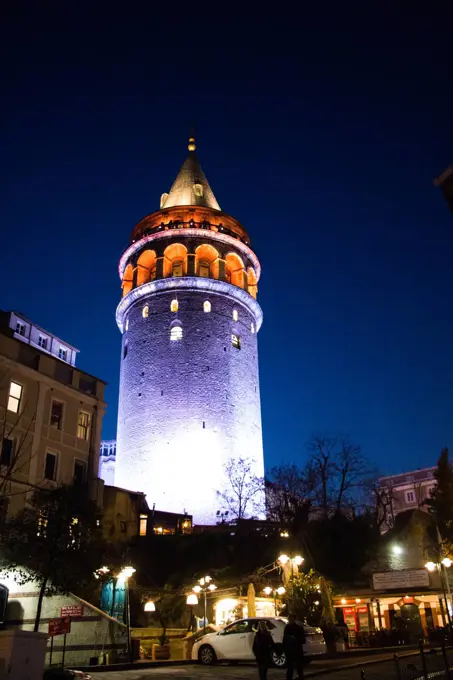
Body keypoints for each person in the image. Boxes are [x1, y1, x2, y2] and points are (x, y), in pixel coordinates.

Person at [283, 614, 306, 680]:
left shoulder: (298, 628)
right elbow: (285, 639)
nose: (289, 620)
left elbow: (302, 639)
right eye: (289, 619)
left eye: (290, 618)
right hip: (291, 651)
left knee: (298, 668)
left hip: (296, 650)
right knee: (291, 668)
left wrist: (295, 639)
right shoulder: (287, 627)